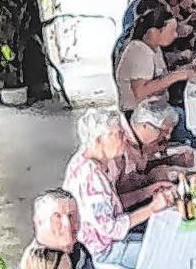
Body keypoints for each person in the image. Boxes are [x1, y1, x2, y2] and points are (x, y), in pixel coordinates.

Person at [63, 109, 175, 259]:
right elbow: (111, 228)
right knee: (165, 250)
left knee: (167, 230)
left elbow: (113, 203)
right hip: (103, 250)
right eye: (119, 135)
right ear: (99, 141)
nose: (125, 139)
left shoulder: (95, 160)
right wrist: (152, 208)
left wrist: (148, 191)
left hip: (113, 237)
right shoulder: (90, 178)